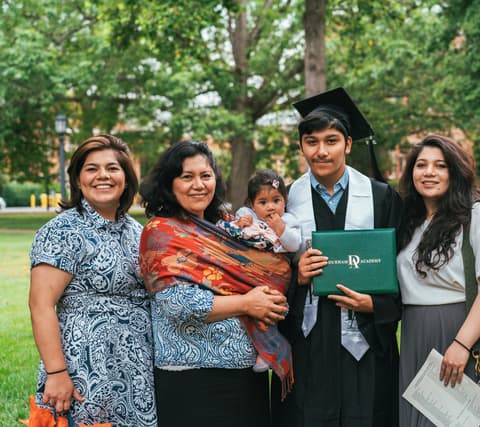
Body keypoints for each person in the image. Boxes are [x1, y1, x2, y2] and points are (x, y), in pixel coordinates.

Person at [271, 87, 403, 427]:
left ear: (348, 144)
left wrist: (376, 306)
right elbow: (265, 272)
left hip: (366, 343)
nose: (321, 150)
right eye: (311, 142)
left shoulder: (381, 197)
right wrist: (295, 276)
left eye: (331, 140)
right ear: (301, 147)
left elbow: (403, 271)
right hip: (308, 342)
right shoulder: (283, 201)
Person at [138, 140, 291, 427]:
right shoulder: (160, 233)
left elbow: (268, 264)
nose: (199, 185)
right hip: (191, 377)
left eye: (205, 176)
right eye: (187, 176)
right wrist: (248, 303)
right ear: (170, 184)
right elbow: (178, 304)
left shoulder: (228, 225)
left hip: (246, 373)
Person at [28, 134, 156, 426]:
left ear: (126, 178)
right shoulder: (64, 230)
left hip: (136, 373)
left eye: (113, 168)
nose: (103, 176)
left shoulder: (137, 232)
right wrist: (57, 373)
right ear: (77, 179)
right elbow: (40, 305)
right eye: (91, 168)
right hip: (83, 371)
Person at [396, 134, 480, 427]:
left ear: (456, 172)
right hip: (415, 337)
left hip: (468, 336)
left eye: (440, 165)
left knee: (465, 422)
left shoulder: (477, 215)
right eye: (421, 165)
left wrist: (461, 343)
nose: (429, 172)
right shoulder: (407, 222)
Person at [218, 169, 301, 373]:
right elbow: (236, 228)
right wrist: (241, 222)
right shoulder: (249, 215)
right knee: (248, 309)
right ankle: (256, 346)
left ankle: (269, 350)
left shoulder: (289, 221)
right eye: (263, 202)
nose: (270, 207)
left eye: (276, 200)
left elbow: (294, 245)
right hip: (249, 270)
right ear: (252, 204)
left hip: (274, 273)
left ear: (285, 200)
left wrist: (280, 228)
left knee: (268, 310)